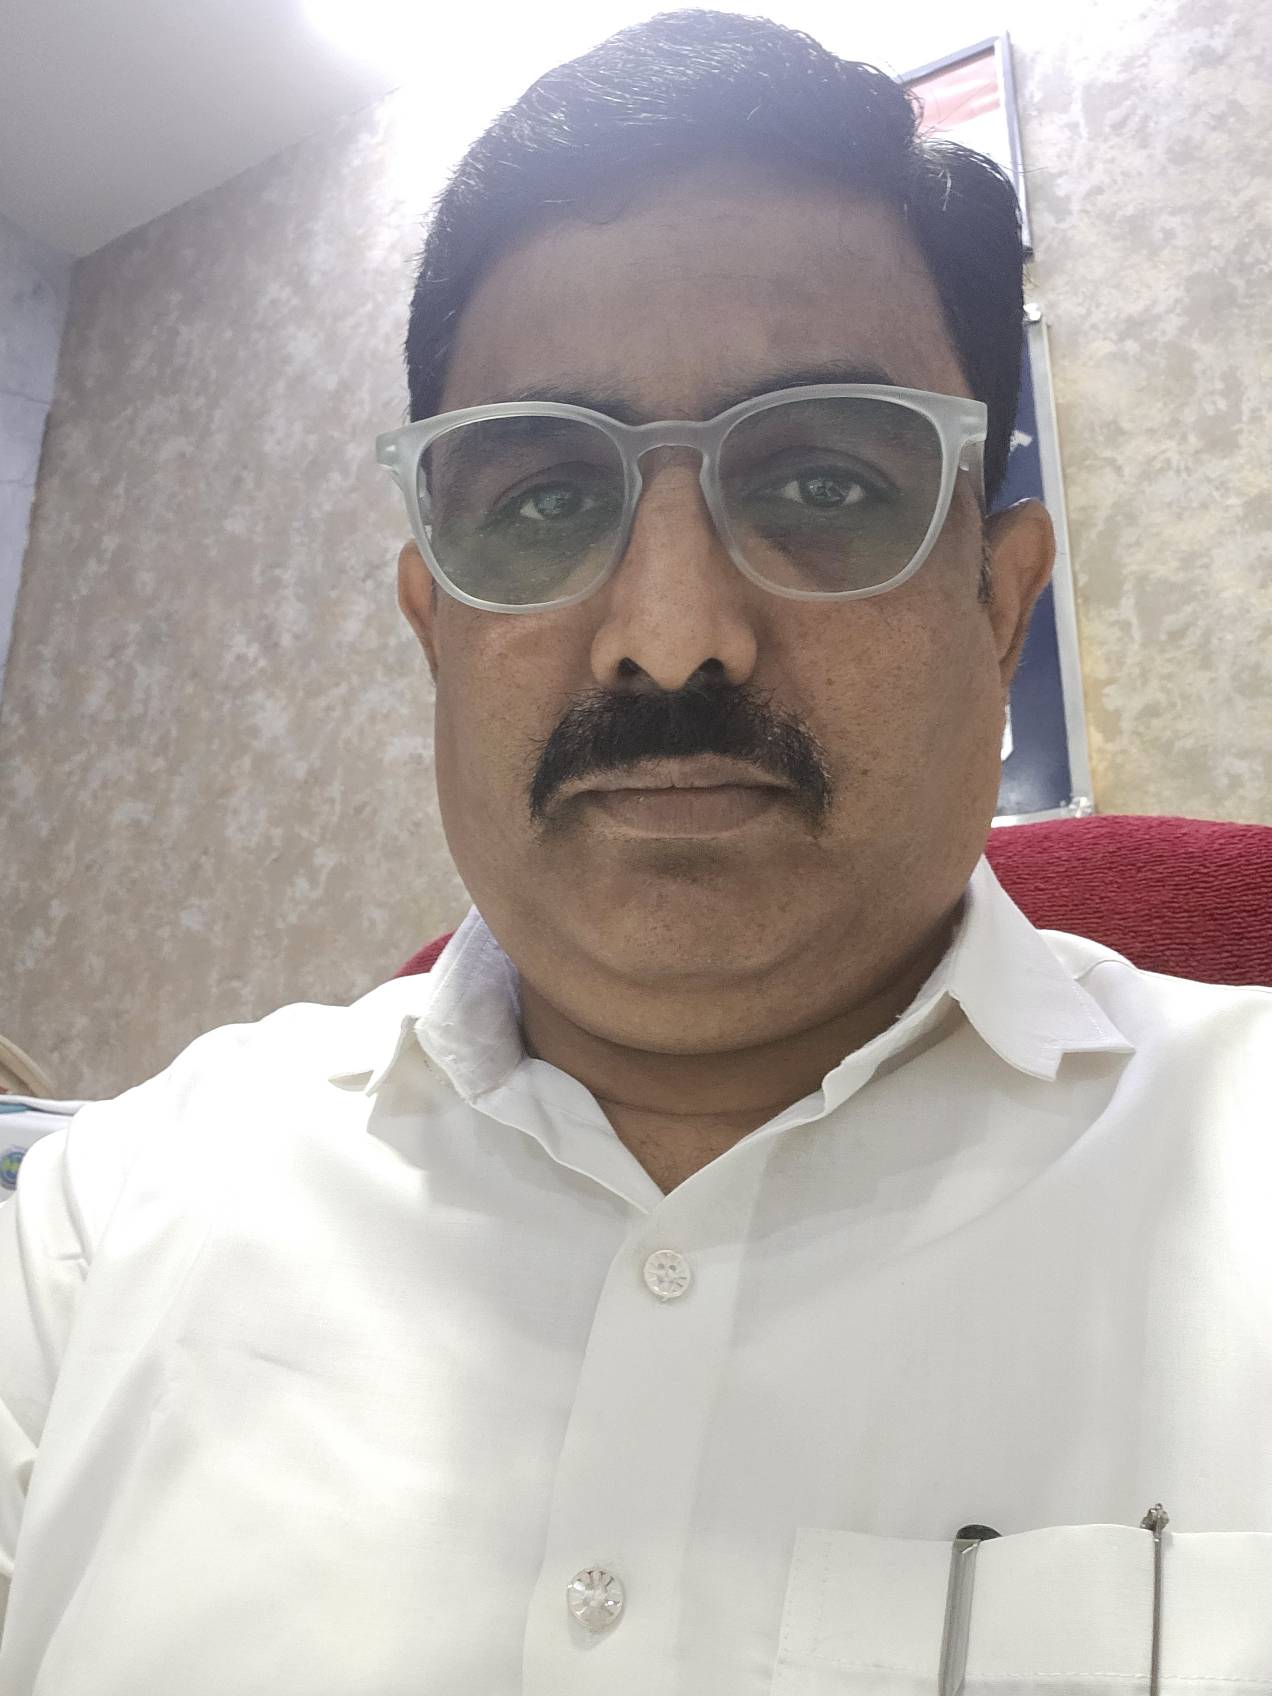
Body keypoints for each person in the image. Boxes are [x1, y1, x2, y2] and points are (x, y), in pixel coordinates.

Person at [2, 11, 1271, 1692]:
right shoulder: (99, 1229)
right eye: (543, 502)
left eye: (824, 483)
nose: (672, 639)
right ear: (436, 630)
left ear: (1000, 602)